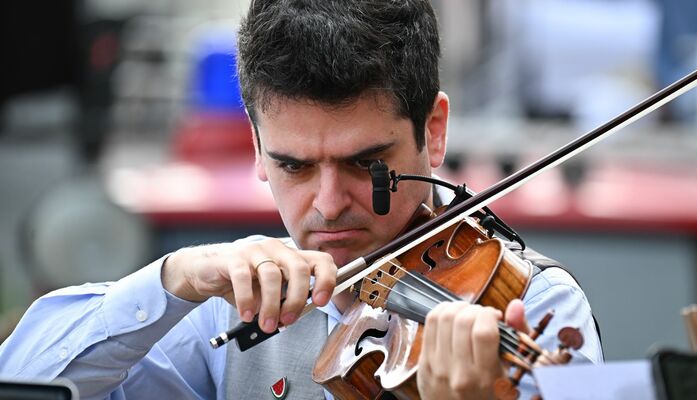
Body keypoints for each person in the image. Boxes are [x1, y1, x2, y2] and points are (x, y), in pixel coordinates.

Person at [0, 0, 602, 399]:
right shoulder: (229, 301)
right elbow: (22, 381)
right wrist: (171, 278)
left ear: (434, 131)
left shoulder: (535, 304)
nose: (329, 203)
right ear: (257, 146)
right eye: (293, 165)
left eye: (368, 164)